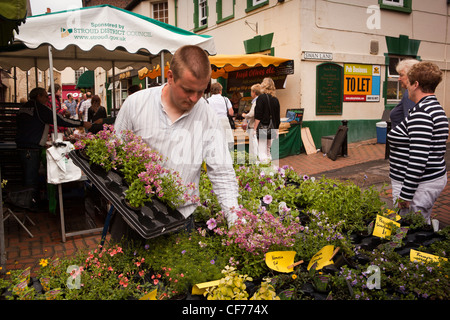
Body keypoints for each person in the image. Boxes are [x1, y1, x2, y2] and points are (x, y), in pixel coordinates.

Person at [112, 45, 239, 242]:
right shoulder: (135, 104)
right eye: (188, 90)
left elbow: (222, 172)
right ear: (170, 77)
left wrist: (236, 222)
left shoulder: (207, 116)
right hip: (134, 217)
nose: (195, 98)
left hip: (180, 222)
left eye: (201, 91)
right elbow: (114, 157)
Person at [388, 61, 448, 224]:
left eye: (408, 83)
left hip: (419, 185)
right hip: (426, 181)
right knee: (419, 224)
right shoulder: (433, 108)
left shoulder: (422, 114)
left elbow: (418, 158)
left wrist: (406, 195)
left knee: (411, 228)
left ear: (415, 84)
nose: (405, 87)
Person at [15, 87, 92, 208]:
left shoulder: (24, 107)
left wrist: (40, 141)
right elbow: (59, 120)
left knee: (27, 177)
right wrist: (81, 123)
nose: (47, 99)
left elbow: (29, 127)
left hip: (23, 145)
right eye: (45, 96)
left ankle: (29, 203)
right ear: (39, 96)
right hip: (30, 148)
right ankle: (30, 205)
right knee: (31, 179)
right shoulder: (40, 108)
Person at [254, 77, 280, 164]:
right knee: (268, 150)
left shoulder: (261, 98)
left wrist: (254, 129)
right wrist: (276, 130)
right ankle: (271, 170)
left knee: (261, 151)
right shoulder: (275, 100)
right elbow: (277, 117)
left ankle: (264, 172)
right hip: (272, 128)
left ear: (263, 85)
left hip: (262, 127)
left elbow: (258, 115)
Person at [390, 59, 419, 129]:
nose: (399, 79)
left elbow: (411, 123)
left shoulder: (410, 94)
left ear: (411, 76)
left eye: (401, 75)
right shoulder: (415, 92)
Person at [207, 82, 234, 151]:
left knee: (215, 143)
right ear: (220, 91)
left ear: (211, 91)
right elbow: (231, 113)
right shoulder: (226, 99)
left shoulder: (208, 101)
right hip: (224, 121)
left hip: (213, 122)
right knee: (226, 143)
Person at [242, 83, 261, 162]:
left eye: (251, 91)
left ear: (254, 92)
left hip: (253, 125)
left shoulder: (256, 101)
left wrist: (245, 115)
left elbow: (252, 113)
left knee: (253, 146)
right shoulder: (259, 100)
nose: (250, 93)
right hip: (258, 125)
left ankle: (254, 161)